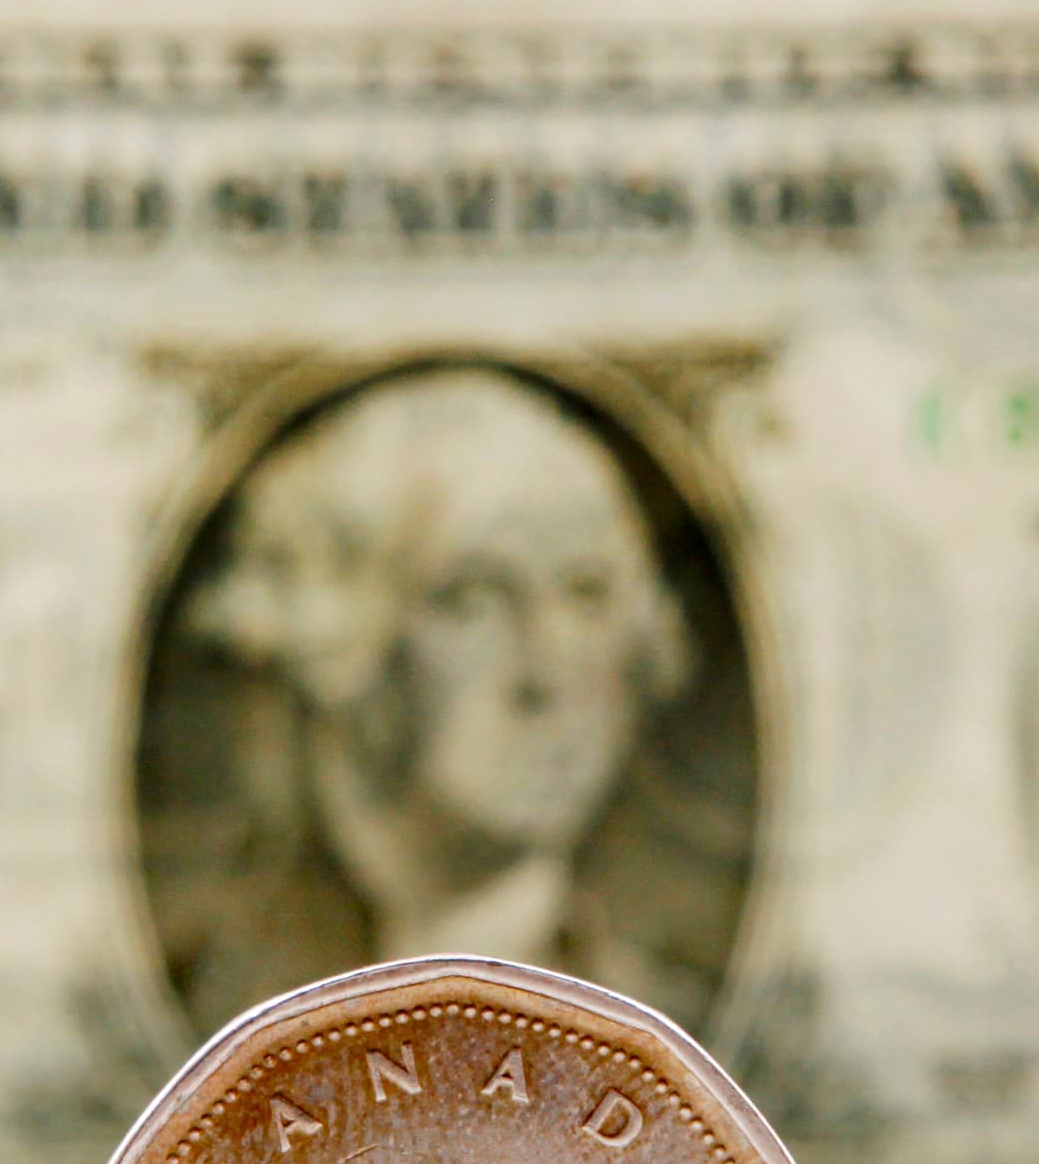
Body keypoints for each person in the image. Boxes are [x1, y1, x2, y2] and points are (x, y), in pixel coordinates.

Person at [143, 366, 733, 1027]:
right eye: (474, 598)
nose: (550, 673)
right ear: (339, 632)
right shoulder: (212, 996)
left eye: (589, 593)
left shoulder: (672, 1016)